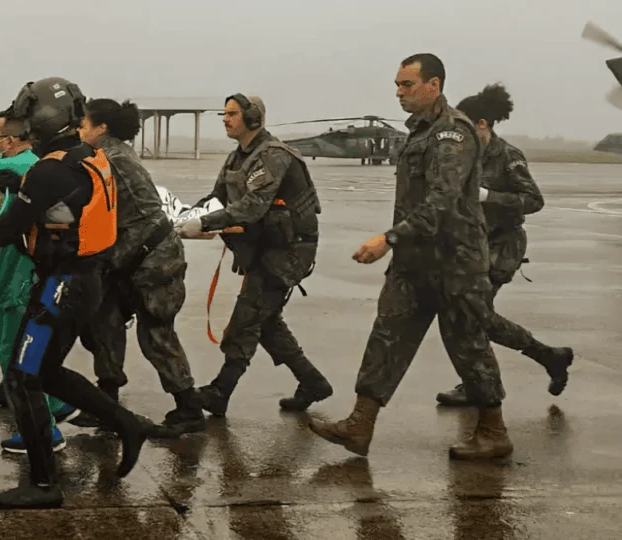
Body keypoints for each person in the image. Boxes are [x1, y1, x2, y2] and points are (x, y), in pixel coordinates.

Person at [308, 53, 513, 460]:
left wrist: (389, 239)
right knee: (387, 335)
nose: (399, 92)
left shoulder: (452, 133)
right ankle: (360, 424)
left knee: (468, 345)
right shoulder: (420, 131)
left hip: (455, 262)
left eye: (407, 84)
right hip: (415, 260)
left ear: (433, 85)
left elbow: (443, 200)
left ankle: (494, 432)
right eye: (397, 85)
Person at [0, 77, 148, 509]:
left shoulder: (50, 170)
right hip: (84, 282)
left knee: (22, 376)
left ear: (43, 119)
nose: (21, 125)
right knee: (44, 372)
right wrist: (18, 186)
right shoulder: (86, 156)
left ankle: (44, 483)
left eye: (26, 117)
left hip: (61, 287)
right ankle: (127, 423)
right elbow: (62, 205)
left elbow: (3, 230)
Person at [179, 94, 332, 417]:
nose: (225, 119)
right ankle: (313, 382)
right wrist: (186, 216)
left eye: (232, 114)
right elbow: (218, 198)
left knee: (246, 321)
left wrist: (205, 222)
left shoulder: (273, 156)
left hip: (288, 251)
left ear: (252, 119)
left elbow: (252, 207)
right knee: (267, 323)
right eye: (224, 114)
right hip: (264, 249)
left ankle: (220, 391)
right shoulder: (237, 157)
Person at [74, 98, 206, 437]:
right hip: (127, 258)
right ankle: (107, 403)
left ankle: (189, 408)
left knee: (156, 335)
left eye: (85, 125)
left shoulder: (111, 160)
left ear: (102, 128)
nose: (80, 130)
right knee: (104, 324)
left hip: (154, 260)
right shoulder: (112, 154)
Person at [434, 84, 573, 407]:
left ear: (482, 124)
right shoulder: (462, 155)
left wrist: (489, 196)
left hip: (502, 245)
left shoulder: (507, 156)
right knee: (468, 316)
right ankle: (547, 357)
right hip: (471, 244)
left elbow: (533, 200)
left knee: (473, 313)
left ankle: (481, 386)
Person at [0, 114, 81, 453]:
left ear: (10, 140)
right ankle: (56, 404)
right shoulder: (31, 168)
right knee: (0, 342)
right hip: (17, 273)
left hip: (22, 277)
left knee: (16, 355)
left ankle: (45, 431)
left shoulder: (20, 168)